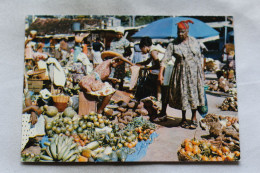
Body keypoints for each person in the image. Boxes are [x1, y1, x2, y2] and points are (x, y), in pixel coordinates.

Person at [158, 20, 205, 129]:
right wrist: (160, 74)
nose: (180, 34)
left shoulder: (194, 41)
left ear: (187, 31)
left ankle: (193, 117)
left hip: (194, 73)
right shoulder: (172, 44)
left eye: (182, 32)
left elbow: (199, 58)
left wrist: (202, 73)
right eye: (178, 32)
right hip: (181, 73)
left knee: (194, 95)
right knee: (183, 95)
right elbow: (165, 59)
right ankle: (183, 118)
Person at [135, 37, 163, 101]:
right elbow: (147, 62)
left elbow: (158, 65)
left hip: (166, 69)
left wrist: (147, 68)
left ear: (144, 47)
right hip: (163, 69)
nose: (141, 51)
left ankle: (156, 98)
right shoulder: (152, 50)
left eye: (141, 49)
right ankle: (157, 98)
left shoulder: (153, 51)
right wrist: (138, 64)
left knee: (152, 81)